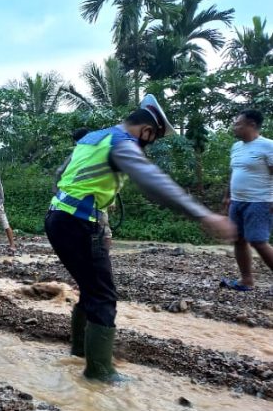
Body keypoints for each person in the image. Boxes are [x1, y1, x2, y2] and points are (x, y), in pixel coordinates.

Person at [47, 95, 235, 382]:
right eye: (152, 139)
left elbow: (61, 174)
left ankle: (80, 353)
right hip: (79, 223)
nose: (149, 144)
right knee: (102, 295)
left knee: (90, 287)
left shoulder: (92, 139)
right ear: (147, 130)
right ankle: (100, 374)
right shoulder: (123, 143)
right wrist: (203, 215)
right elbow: (152, 180)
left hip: (57, 217)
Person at [221, 109, 273, 291]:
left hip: (260, 201)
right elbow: (234, 172)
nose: (234, 127)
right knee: (239, 240)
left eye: (238, 124)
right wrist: (227, 196)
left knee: (258, 241)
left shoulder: (268, 146)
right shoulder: (236, 147)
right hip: (237, 201)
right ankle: (246, 280)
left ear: (251, 125)